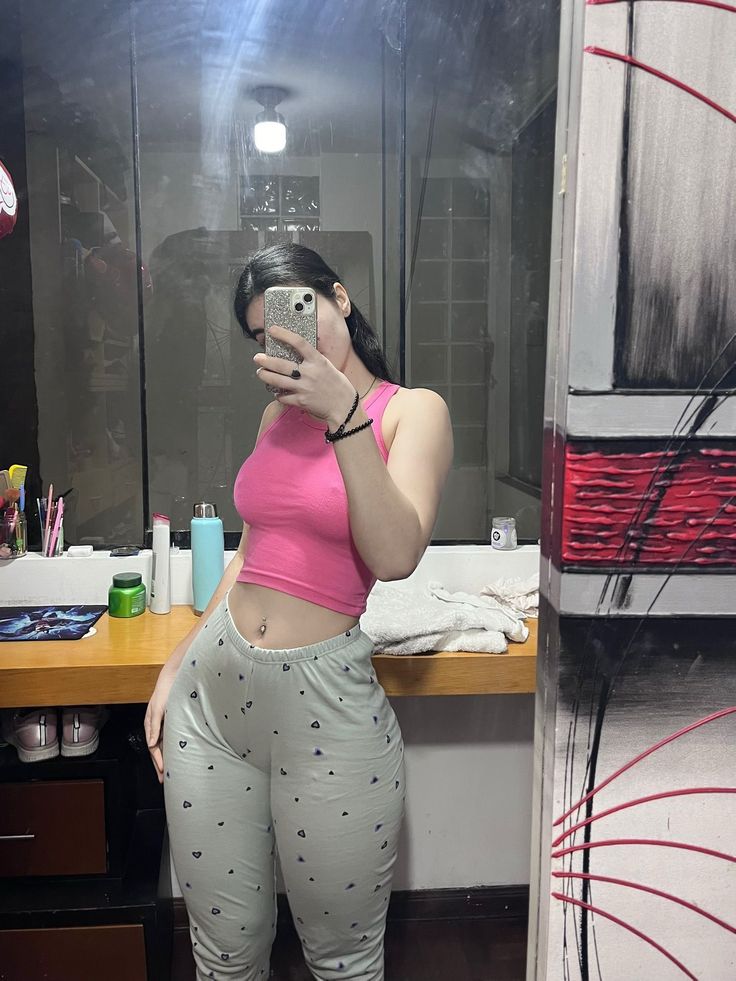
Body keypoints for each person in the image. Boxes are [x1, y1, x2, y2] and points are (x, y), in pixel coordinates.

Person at [144, 243, 453, 980]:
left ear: (339, 298)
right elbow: (249, 556)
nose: (284, 340)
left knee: (344, 960)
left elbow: (394, 554)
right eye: (265, 334)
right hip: (211, 706)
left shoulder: (412, 412)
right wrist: (174, 667)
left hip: (326, 710)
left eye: (296, 314)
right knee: (223, 954)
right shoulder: (274, 417)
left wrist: (343, 415)